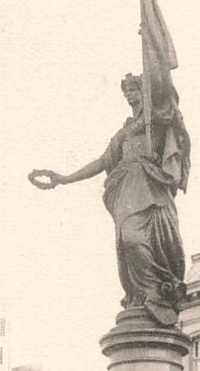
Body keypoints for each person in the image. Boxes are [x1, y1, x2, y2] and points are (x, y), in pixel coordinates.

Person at [29, 72, 190, 328]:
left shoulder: (156, 119)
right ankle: (141, 295)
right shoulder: (124, 132)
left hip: (150, 187)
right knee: (127, 242)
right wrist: (65, 178)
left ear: (144, 92)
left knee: (134, 239)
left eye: (133, 91)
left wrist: (152, 39)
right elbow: (102, 162)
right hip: (127, 189)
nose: (129, 97)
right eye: (126, 93)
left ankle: (154, 293)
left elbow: (168, 99)